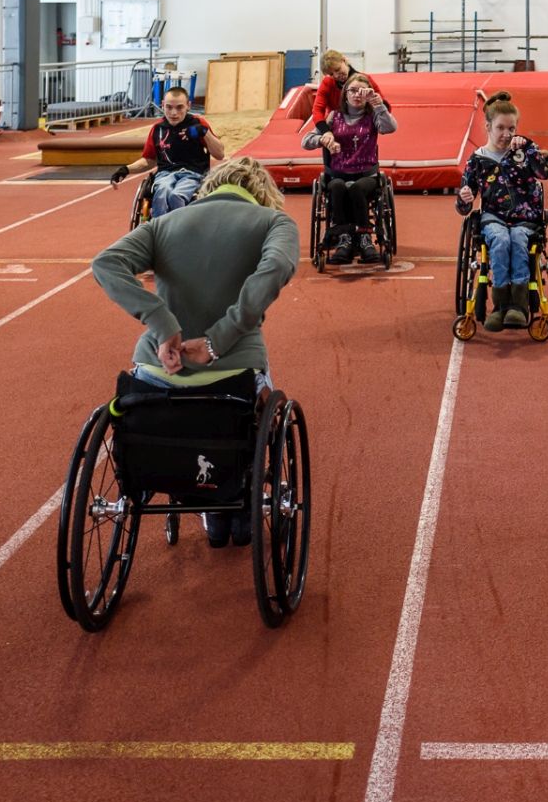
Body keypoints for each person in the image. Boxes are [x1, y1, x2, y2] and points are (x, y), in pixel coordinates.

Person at [91, 157, 299, 545]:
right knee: (262, 400)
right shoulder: (274, 223)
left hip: (157, 375)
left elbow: (106, 263)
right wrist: (219, 340)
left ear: (210, 186)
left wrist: (163, 323)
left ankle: (193, 494)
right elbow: (276, 268)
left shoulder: (162, 224)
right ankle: (237, 496)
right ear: (262, 193)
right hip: (235, 377)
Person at [457, 91, 548, 332]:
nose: (507, 134)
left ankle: (518, 307)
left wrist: (529, 147)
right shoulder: (477, 160)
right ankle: (500, 307)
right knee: (500, 240)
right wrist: (464, 198)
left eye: (512, 128)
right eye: (500, 128)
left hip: (525, 217)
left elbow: (544, 174)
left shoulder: (524, 151)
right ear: (488, 126)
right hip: (494, 217)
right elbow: (464, 206)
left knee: (518, 239)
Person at [302, 72, 396, 264]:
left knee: (356, 188)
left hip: (366, 174)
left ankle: (364, 238)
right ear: (345, 94)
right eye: (352, 90)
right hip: (338, 174)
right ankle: (343, 240)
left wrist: (378, 104)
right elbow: (305, 141)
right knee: (336, 186)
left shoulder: (372, 116)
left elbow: (390, 127)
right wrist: (323, 139)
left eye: (362, 91)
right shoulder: (333, 117)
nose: (357, 95)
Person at [109, 86, 227, 220]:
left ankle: (177, 229)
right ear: (163, 105)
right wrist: (125, 169)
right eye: (169, 107)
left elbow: (220, 154)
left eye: (179, 107)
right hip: (166, 174)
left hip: (193, 174)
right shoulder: (158, 129)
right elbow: (149, 160)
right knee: (163, 191)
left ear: (188, 106)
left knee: (176, 195)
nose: (174, 113)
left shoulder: (198, 124)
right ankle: (159, 229)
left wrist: (204, 133)